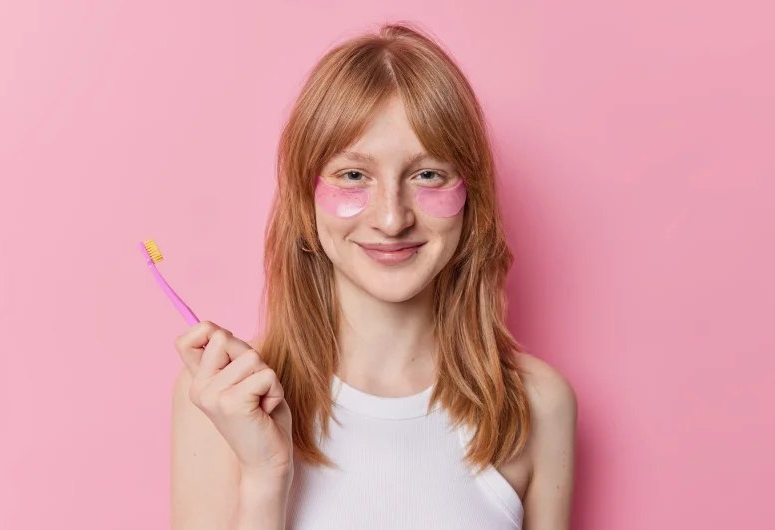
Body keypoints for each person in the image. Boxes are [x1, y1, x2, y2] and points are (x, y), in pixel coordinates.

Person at [170, 22, 577, 530]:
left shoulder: (538, 405)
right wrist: (265, 478)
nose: (391, 218)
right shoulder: (224, 400)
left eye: (427, 174)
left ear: (470, 194)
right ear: (305, 199)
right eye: (353, 175)